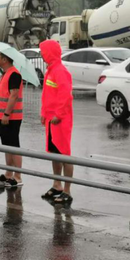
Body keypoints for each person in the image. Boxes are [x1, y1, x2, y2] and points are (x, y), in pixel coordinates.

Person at [39, 40, 74, 205]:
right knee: (54, 153)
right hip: (51, 119)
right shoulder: (51, 70)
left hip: (60, 120)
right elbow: (47, 95)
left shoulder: (60, 71)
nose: (42, 55)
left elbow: (66, 96)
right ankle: (57, 185)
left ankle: (67, 190)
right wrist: (43, 113)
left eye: (44, 52)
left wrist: (58, 115)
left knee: (64, 154)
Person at [0, 51, 24, 188]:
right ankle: (8, 174)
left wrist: (7, 114)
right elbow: (6, 94)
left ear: (4, 59)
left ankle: (18, 176)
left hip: (11, 117)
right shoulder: (5, 74)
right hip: (3, 116)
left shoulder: (14, 74)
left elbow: (14, 96)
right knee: (7, 146)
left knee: (14, 145)